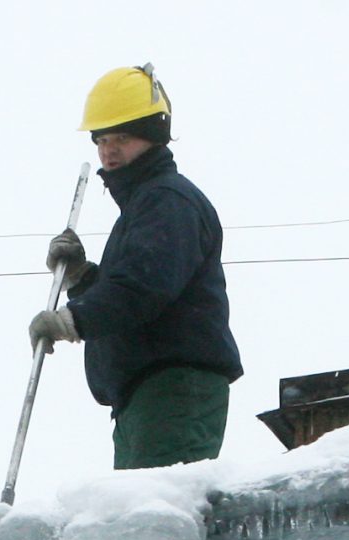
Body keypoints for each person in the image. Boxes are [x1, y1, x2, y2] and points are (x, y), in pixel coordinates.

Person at [29, 64, 243, 470]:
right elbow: (134, 290)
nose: (108, 150)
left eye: (122, 138)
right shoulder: (145, 206)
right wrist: (81, 278)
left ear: (152, 137)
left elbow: (143, 288)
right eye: (101, 139)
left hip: (173, 388)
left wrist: (70, 320)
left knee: (154, 518)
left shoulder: (167, 200)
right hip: (145, 394)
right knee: (137, 517)